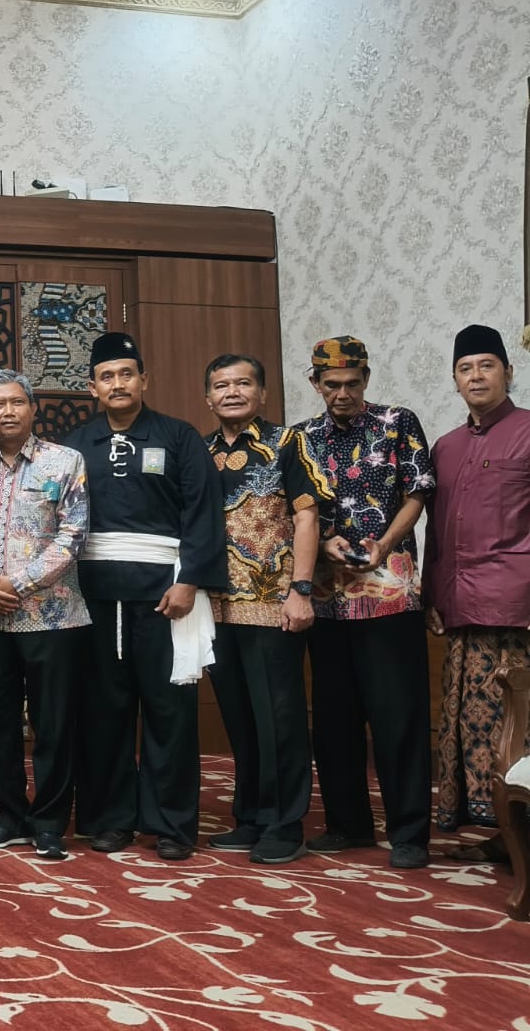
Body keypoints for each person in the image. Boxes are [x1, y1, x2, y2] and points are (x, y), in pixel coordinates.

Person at [63, 332, 225, 861]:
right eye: (106, 376)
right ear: (92, 387)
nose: (118, 384)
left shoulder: (179, 438)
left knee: (168, 710)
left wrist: (190, 580)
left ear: (144, 380)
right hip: (93, 596)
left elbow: (202, 512)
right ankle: (111, 819)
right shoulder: (73, 446)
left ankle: (172, 823)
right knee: (103, 711)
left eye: (126, 374)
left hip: (165, 594)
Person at [295, 335, 434, 869]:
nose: (343, 393)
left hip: (389, 593)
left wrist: (386, 543)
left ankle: (409, 833)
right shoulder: (302, 437)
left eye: (352, 383)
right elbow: (296, 508)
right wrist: (327, 541)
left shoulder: (398, 422)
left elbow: (418, 492)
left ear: (366, 379)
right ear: (315, 383)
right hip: (326, 597)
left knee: (398, 717)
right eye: (332, 384)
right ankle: (348, 825)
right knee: (335, 719)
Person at [202, 353, 333, 866]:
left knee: (279, 717)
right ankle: (251, 816)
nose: (232, 392)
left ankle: (284, 823)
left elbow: (307, 518)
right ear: (207, 398)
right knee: (239, 717)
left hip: (275, 602)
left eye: (242, 383)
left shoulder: (287, 443)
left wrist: (301, 589)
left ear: (261, 393)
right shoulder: (200, 452)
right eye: (221, 385)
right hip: (215, 607)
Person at [0, 369, 90, 863]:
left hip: (53, 617)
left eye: (17, 402)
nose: (8, 411)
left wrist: (17, 583)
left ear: (33, 409)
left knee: (53, 724)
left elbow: (73, 535)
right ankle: (11, 817)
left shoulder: (65, 461)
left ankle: (50, 823)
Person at [425, 325, 530, 861]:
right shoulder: (446, 447)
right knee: (473, 729)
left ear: (508, 372)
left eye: (487, 365)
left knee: (518, 729)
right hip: (462, 608)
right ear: (454, 380)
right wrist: (431, 595)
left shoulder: (528, 432)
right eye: (465, 369)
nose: (476, 376)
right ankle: (504, 836)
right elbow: (437, 532)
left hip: (517, 608)